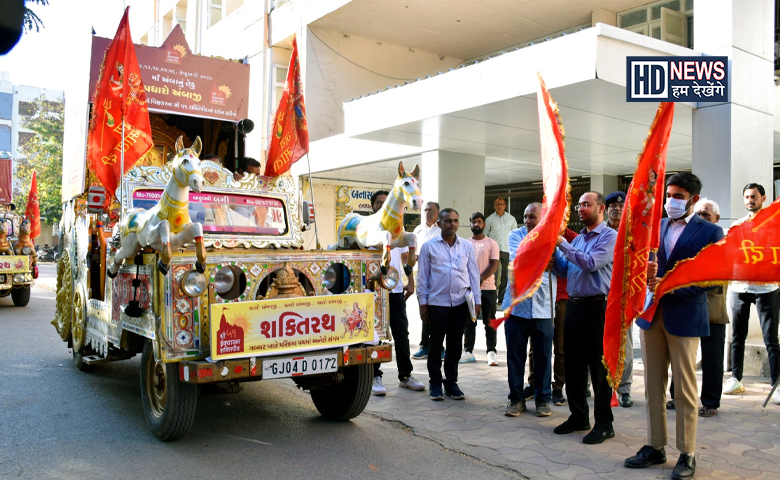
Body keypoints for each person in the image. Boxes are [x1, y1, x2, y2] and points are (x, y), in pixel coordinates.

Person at [625, 172, 724, 480]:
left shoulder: (711, 231)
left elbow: (711, 277)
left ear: (693, 199)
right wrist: (646, 270)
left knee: (684, 389)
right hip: (651, 315)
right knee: (653, 386)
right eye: (669, 194)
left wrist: (669, 286)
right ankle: (655, 446)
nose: (671, 201)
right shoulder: (656, 226)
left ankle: (687, 452)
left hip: (685, 315)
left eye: (678, 196)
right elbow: (638, 261)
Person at [552, 191, 617, 445]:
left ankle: (604, 423)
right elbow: (567, 269)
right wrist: (553, 258)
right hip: (574, 306)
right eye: (579, 205)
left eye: (586, 205)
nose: (581, 209)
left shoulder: (609, 237)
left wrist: (562, 244)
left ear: (600, 208)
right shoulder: (578, 238)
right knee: (573, 365)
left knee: (598, 367)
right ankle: (578, 416)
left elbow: (590, 263)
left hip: (597, 308)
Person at [503, 203, 565, 418]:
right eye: (525, 216)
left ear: (543, 218)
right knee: (515, 356)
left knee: (543, 357)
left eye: (532, 217)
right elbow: (518, 260)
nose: (528, 221)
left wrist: (552, 258)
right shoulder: (515, 235)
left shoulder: (555, 238)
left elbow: (564, 268)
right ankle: (516, 399)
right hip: (517, 307)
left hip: (544, 309)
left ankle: (543, 399)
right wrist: (543, 259)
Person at [668, 198, 728, 417]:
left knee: (713, 357)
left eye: (706, 215)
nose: (701, 219)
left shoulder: (718, 236)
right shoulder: (686, 236)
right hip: (686, 304)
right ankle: (677, 396)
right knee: (683, 354)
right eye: (699, 215)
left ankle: (711, 401)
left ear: (716, 219)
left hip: (713, 307)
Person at [723, 183, 780, 403]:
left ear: (763, 198)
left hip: (767, 289)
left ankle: (776, 385)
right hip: (739, 288)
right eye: (746, 196)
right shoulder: (737, 226)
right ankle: (735, 379)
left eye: (753, 196)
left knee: (771, 340)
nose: (749, 200)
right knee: (737, 337)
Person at [417, 208, 481, 401]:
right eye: (447, 221)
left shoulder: (466, 247)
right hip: (437, 304)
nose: (452, 224)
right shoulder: (429, 247)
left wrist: (477, 301)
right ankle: (435, 383)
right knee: (435, 345)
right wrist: (423, 303)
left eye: (455, 221)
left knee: (455, 345)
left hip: (461, 304)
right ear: (439, 224)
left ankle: (451, 382)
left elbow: (473, 275)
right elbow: (423, 278)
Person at [368, 191, 425, 396]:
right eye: (378, 203)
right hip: (371, 293)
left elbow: (404, 260)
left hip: (395, 290)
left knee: (401, 332)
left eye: (385, 202)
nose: (382, 206)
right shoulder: (368, 231)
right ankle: (375, 376)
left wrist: (410, 282)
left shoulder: (399, 232)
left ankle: (405, 375)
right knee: (373, 335)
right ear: (373, 206)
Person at [605, 191, 634, 408]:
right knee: (596, 342)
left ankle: (624, 389)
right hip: (600, 296)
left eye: (620, 206)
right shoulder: (598, 231)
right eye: (612, 206)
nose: (616, 209)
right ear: (605, 210)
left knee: (625, 345)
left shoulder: (632, 234)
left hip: (624, 296)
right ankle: (592, 384)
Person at [462, 212, 500, 366]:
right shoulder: (464, 243)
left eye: (479, 222)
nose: (476, 224)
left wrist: (480, 278)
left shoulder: (491, 243)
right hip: (469, 289)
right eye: (473, 222)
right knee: (469, 321)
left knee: (489, 321)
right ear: (470, 224)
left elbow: (494, 264)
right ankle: (468, 351)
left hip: (488, 288)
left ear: (484, 224)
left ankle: (491, 352)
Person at [412, 201, 441, 360]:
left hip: (437, 278)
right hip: (422, 277)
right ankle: (424, 345)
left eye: (430, 210)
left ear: (438, 213)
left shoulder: (440, 231)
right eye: (425, 210)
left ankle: (438, 347)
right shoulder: (418, 230)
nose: (427, 212)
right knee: (424, 310)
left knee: (437, 312)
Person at [485, 196, 517, 305]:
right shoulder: (489, 219)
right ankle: (492, 297)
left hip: (507, 250)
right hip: (494, 250)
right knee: (493, 274)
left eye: (502, 204)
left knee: (506, 275)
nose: (500, 206)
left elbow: (515, 235)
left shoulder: (511, 219)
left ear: (505, 206)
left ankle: (502, 298)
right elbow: (485, 236)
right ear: (494, 206)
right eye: (498, 204)